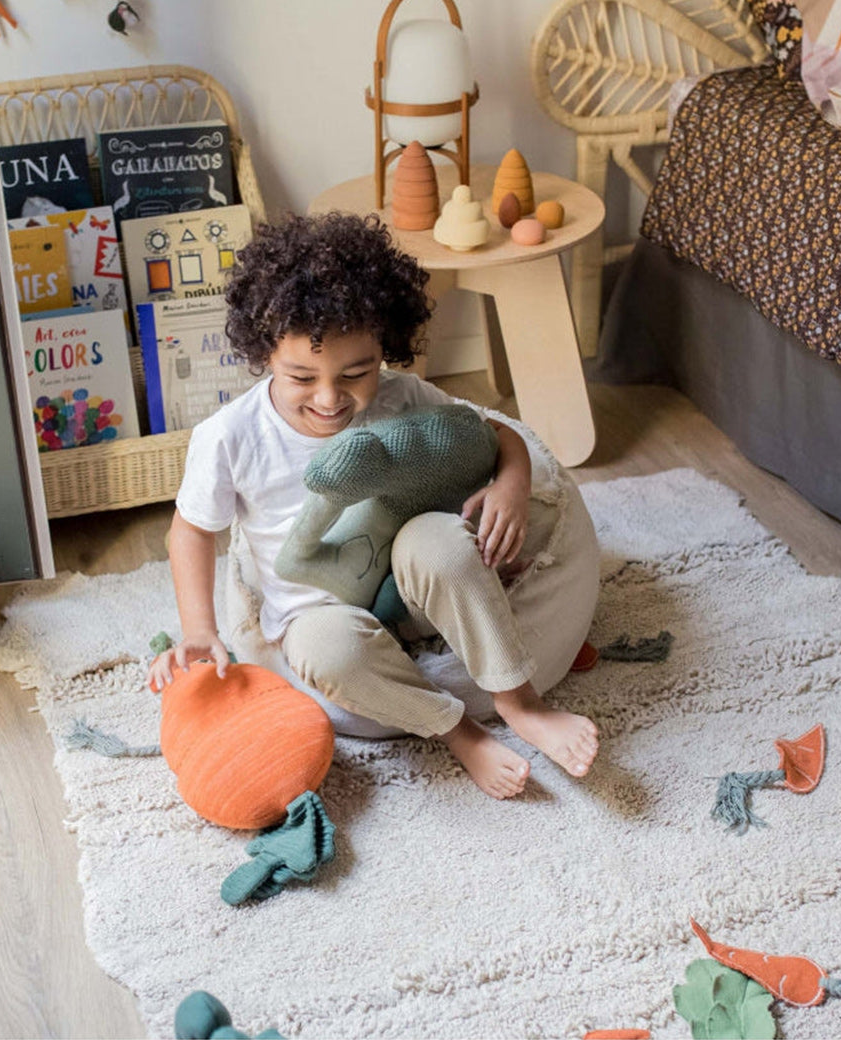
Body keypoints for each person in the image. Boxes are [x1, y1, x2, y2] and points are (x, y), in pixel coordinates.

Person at [148, 212, 601, 799]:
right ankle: (458, 731)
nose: (329, 397)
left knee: (439, 542)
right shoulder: (230, 435)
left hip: (411, 589)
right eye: (301, 377)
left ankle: (519, 701)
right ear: (264, 354)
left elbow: (489, 433)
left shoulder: (401, 396)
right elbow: (190, 531)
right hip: (317, 612)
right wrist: (199, 629)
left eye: (356, 372)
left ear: (385, 345)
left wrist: (511, 484)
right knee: (329, 653)